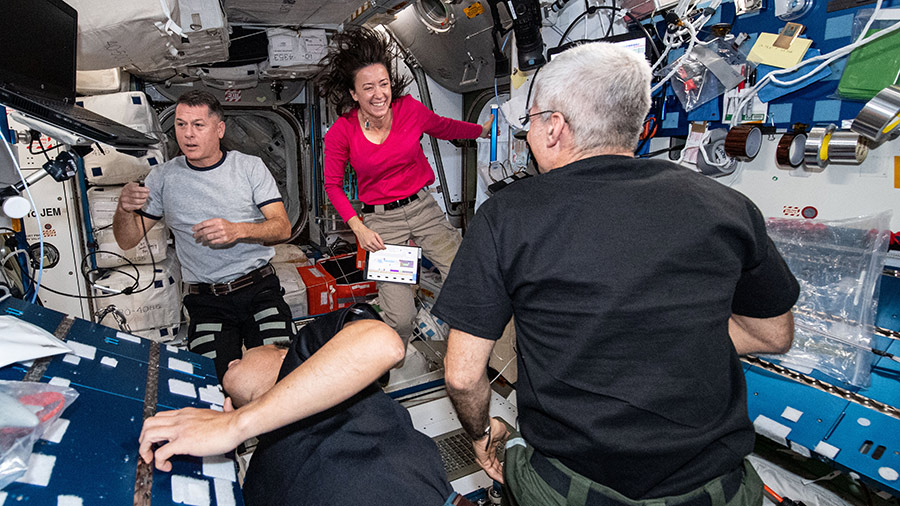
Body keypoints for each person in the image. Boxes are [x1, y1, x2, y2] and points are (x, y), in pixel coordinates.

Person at [432, 42, 800, 506]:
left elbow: (464, 376)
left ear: (554, 128)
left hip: (575, 486)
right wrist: (667, 335)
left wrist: (484, 432)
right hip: (713, 487)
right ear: (638, 124)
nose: (527, 136)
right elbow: (772, 335)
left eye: (530, 123)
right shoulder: (726, 206)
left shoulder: (506, 217)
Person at [138, 304, 475, 506]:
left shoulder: (307, 352)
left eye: (241, 355)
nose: (229, 364)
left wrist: (236, 424)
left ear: (280, 350)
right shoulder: (258, 469)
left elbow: (382, 343)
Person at [316, 26, 492, 349]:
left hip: (423, 209)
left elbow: (443, 126)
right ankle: (390, 366)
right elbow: (332, 186)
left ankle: (463, 347)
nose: (378, 93)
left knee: (467, 277)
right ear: (354, 94)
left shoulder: (408, 109)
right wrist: (359, 229)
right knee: (400, 317)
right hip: (382, 223)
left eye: (383, 83)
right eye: (367, 87)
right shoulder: (341, 133)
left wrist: (480, 130)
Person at [112, 90, 294, 380]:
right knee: (213, 382)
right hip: (207, 302)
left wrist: (237, 231)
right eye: (181, 125)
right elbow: (127, 239)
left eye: (198, 125)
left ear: (219, 129)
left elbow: (282, 227)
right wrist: (123, 208)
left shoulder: (249, 167)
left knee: (280, 373)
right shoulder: (162, 177)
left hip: (259, 290)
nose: (188, 134)